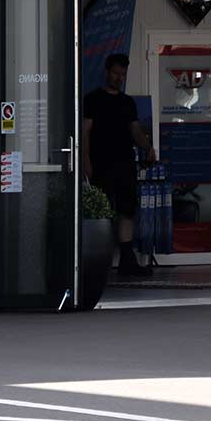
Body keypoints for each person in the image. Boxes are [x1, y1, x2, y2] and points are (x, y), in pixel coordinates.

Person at [82, 54, 156, 277]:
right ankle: (96, 261)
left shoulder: (127, 102)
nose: (119, 78)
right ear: (107, 71)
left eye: (123, 74)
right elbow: (85, 131)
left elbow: (135, 130)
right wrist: (85, 160)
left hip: (125, 164)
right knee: (100, 213)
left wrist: (148, 148)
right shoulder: (93, 99)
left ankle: (126, 261)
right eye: (116, 73)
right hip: (100, 164)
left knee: (127, 211)